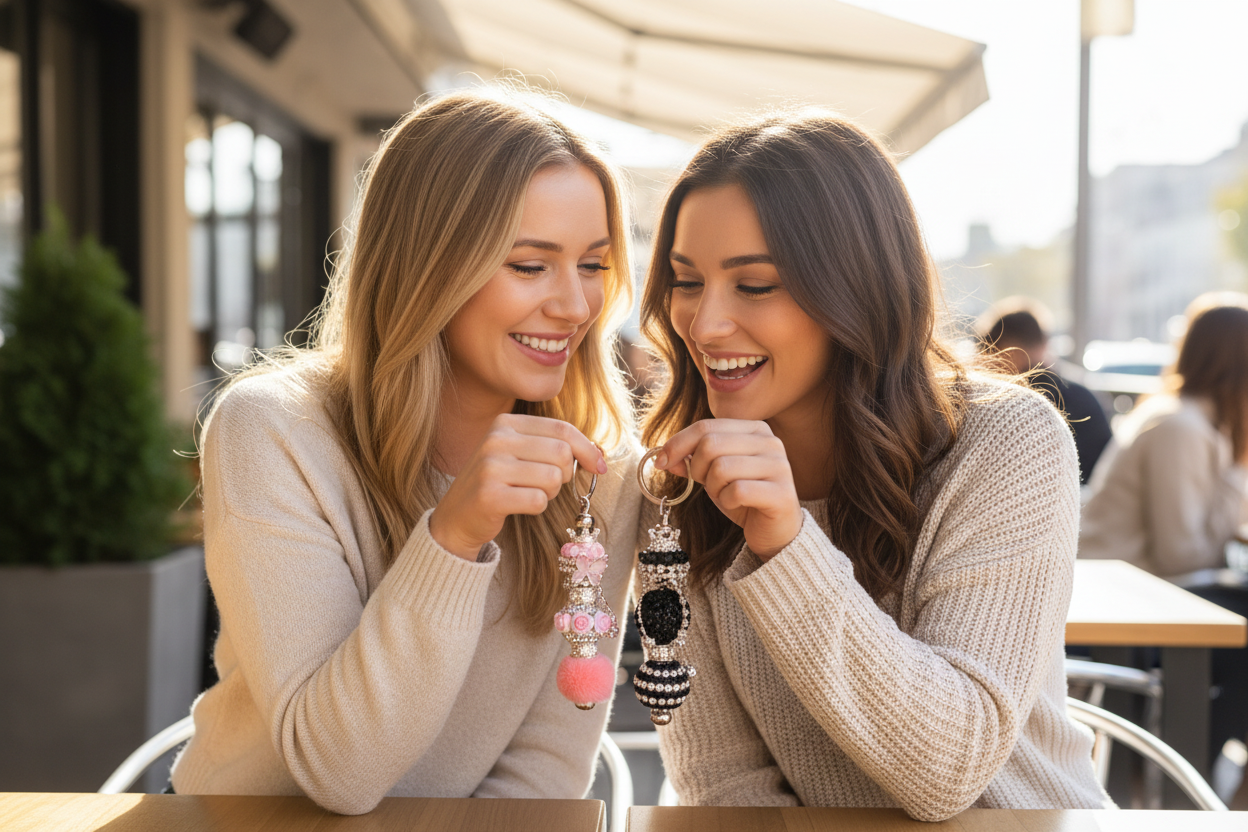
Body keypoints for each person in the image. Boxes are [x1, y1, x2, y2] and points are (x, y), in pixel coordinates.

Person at [169, 88, 641, 814]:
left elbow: (547, 768)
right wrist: (453, 539)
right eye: (528, 265)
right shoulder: (271, 432)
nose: (575, 306)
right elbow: (338, 771)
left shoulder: (600, 478)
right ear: (429, 266)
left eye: (593, 266)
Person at [637, 108, 1110, 821]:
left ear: (856, 286)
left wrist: (785, 543)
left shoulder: (1006, 439)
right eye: (685, 282)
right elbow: (722, 787)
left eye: (755, 284)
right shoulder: (680, 481)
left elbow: (949, 771)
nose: (705, 325)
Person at [1080, 293, 1248, 577]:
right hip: (1122, 594)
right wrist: (1240, 467)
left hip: (1131, 586)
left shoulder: (1186, 419)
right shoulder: (1180, 428)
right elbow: (1182, 559)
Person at [975, 298, 1113, 485]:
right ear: (1044, 344)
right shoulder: (1082, 394)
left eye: (988, 354)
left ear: (1008, 353)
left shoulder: (1010, 402)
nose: (984, 367)